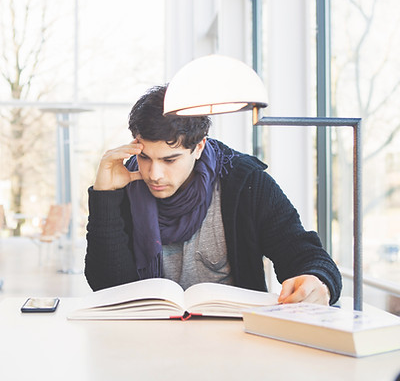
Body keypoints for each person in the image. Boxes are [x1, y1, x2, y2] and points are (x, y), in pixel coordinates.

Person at [85, 84, 342, 305]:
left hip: (235, 343)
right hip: (145, 341)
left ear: (198, 147)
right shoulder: (124, 186)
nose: (154, 174)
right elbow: (107, 288)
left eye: (170, 160)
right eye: (144, 157)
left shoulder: (245, 183)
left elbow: (304, 254)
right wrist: (104, 196)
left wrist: (318, 282)